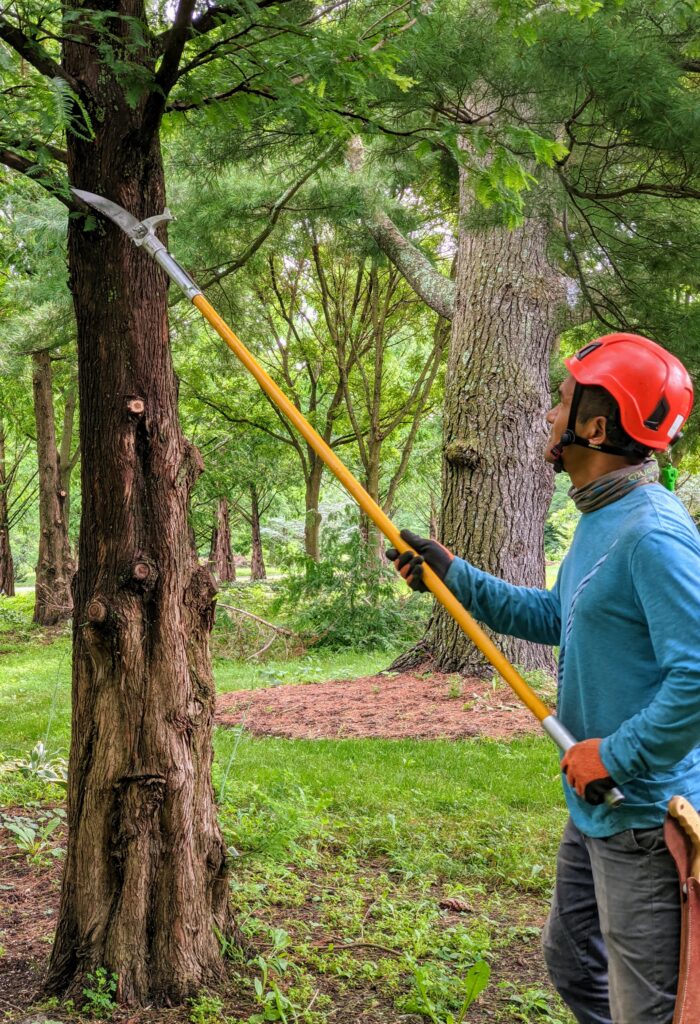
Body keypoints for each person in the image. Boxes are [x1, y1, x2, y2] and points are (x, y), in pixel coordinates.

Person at [389, 333, 699, 1024]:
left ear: (596, 426)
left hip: (643, 816)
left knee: (645, 1008)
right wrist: (453, 575)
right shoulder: (603, 518)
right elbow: (559, 616)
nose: (550, 413)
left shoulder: (651, 534)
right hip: (597, 804)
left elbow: (698, 674)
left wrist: (614, 755)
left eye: (563, 400)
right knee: (571, 963)